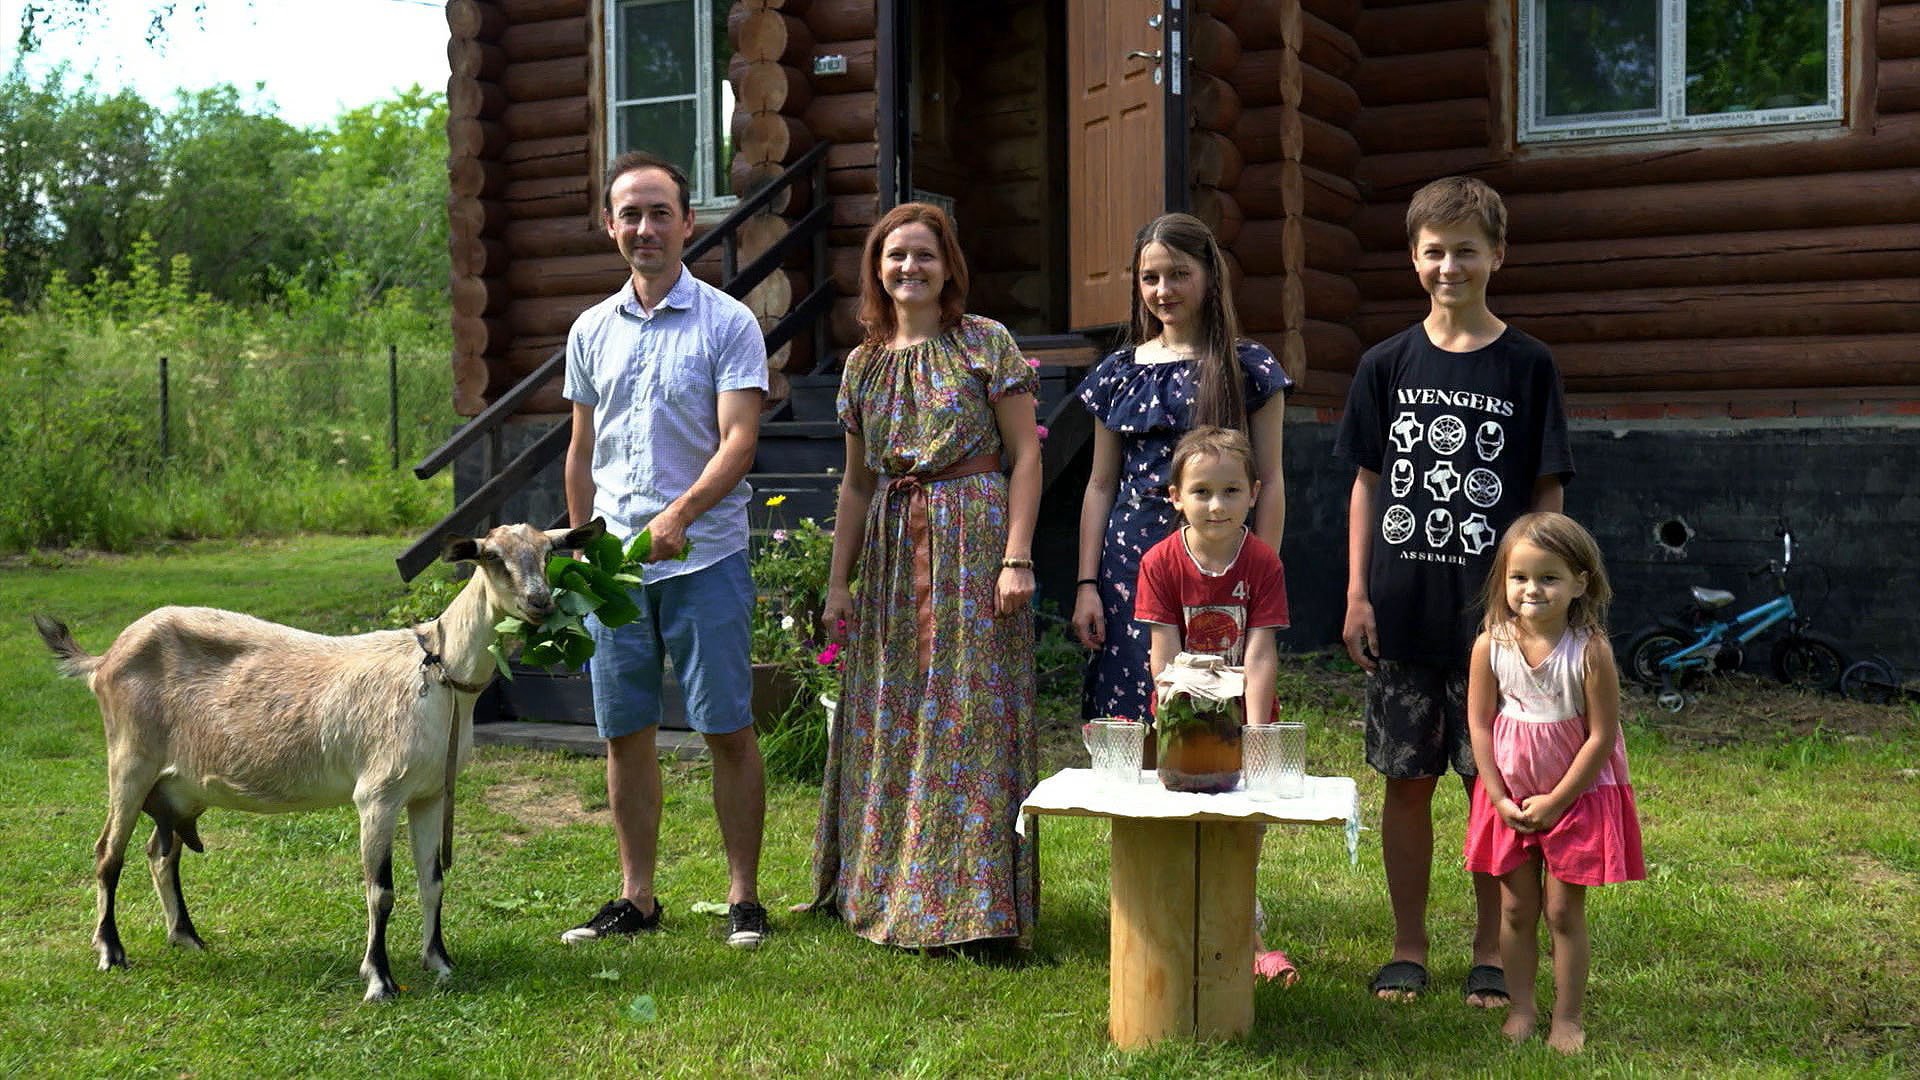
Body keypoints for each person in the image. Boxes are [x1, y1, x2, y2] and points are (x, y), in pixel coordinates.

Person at [1334, 175, 1575, 1005]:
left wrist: (1548, 609)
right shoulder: (1384, 364)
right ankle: (1408, 947)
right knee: (1407, 785)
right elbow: (1366, 484)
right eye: (1433, 251)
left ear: (1496, 256)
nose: (1448, 266)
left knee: (1493, 789)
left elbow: (1547, 495)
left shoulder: (1529, 365)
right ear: (1412, 258)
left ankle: (1488, 951)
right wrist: (1357, 595)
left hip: (1497, 627)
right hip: (1400, 612)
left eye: (1465, 250)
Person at [805, 202, 1043, 949]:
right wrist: (839, 583)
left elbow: (1025, 457)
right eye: (895, 256)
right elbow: (853, 486)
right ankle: (887, 882)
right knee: (894, 709)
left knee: (971, 710)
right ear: (877, 270)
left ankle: (977, 913)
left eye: (924, 256)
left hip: (973, 540)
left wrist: (1017, 555)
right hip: (888, 547)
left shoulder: (985, 343)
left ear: (949, 268)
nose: (910, 268)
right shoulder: (862, 364)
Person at [558, 151, 771, 950]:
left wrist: (680, 515)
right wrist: (581, 551)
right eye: (629, 215)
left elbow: (739, 441)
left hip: (705, 558)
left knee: (726, 727)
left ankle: (743, 897)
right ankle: (637, 898)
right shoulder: (589, 329)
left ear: (689, 222)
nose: (644, 228)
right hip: (614, 569)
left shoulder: (727, 321)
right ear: (610, 226)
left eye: (659, 213)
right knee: (625, 732)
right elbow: (582, 451)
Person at [1073, 213, 1291, 726]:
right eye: (1150, 278)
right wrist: (1087, 583)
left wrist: (1261, 574)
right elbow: (1101, 485)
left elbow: (1273, 479)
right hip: (1129, 567)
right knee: (1137, 714)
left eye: (1178, 274)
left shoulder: (1249, 368)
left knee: (1219, 711)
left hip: (1221, 569)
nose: (1163, 290)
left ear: (1209, 276)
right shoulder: (1118, 373)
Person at [1463, 512, 1645, 1053]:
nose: (1532, 589)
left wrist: (1557, 801)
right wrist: (1498, 796)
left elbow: (1600, 738)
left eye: (1549, 577)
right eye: (1519, 577)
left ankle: (1568, 1018)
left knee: (1563, 911)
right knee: (1516, 909)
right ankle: (1522, 1008)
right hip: (1510, 799)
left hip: (1575, 799)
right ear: (1504, 581)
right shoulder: (1489, 646)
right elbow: (1479, 722)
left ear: (1579, 583)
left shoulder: (1590, 652)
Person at [1134, 425, 1297, 983]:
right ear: (1175, 496)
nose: (1216, 504)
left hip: (1243, 719)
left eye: (1230, 491)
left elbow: (1260, 652)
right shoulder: (1159, 562)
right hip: (1180, 723)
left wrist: (1252, 736)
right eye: (1201, 491)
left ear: (1254, 492)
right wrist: (1183, 729)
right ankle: (1179, 938)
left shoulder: (1262, 563)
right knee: (1178, 831)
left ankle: (1248, 940)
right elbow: (1164, 657)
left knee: (1242, 833)